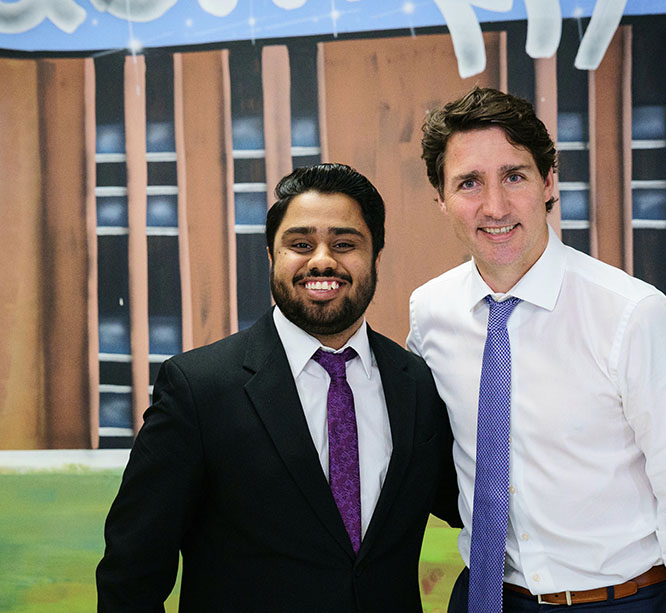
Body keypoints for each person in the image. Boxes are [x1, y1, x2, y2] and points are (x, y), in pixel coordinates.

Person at [407, 87, 666, 613]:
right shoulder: (430, 314)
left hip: (617, 600)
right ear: (441, 199)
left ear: (548, 182)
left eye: (514, 175)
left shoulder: (633, 316)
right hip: (487, 598)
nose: (494, 206)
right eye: (469, 182)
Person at [97, 163, 459, 612]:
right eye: (301, 244)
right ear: (271, 255)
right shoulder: (198, 389)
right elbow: (131, 574)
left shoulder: (418, 383)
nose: (322, 259)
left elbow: (471, 503)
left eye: (345, 244)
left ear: (376, 257)